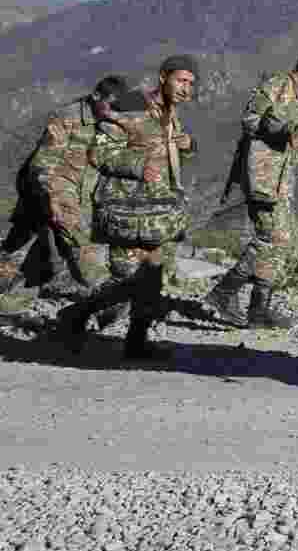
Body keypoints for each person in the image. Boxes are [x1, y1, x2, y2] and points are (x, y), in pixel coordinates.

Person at [54, 55, 198, 358]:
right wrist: (137, 164)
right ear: (163, 77)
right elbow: (101, 153)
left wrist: (185, 146)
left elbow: (163, 160)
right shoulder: (132, 106)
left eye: (191, 83)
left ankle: (135, 343)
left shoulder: (170, 113)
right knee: (129, 277)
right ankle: (76, 314)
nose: (186, 88)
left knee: (151, 276)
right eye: (181, 80)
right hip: (125, 209)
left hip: (156, 210)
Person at [204, 42, 298, 329]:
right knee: (271, 238)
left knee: (278, 240)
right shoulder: (278, 85)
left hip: (282, 176)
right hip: (262, 173)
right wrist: (285, 127)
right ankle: (225, 294)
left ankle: (257, 308)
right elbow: (250, 120)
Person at [0, 75, 130, 299]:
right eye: (110, 104)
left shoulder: (110, 122)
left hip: (77, 199)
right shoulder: (67, 118)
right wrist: (56, 202)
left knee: (47, 260)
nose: (112, 111)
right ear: (96, 96)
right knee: (23, 248)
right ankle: (103, 292)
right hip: (44, 196)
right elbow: (42, 165)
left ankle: (11, 306)